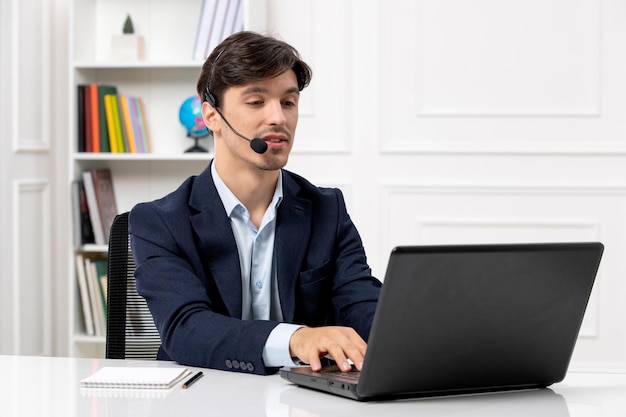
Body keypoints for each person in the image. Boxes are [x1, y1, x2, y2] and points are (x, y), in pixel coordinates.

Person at [129, 31, 381, 376]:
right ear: (212, 116)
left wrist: (409, 331)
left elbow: (361, 304)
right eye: (256, 102)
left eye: (288, 102)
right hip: (199, 397)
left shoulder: (327, 210)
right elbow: (186, 328)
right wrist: (295, 339)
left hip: (302, 400)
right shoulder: (159, 221)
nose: (278, 117)